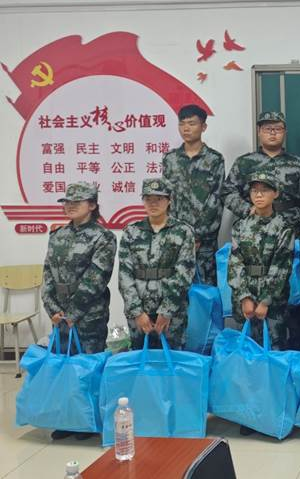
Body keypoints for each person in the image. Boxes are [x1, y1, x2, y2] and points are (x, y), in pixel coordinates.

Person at [41, 182, 116, 441]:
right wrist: (52, 308)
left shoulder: (103, 237)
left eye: (77, 202)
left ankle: (90, 422)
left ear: (92, 205)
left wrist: (73, 313)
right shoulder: (58, 235)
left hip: (89, 314)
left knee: (88, 368)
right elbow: (47, 274)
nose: (70, 206)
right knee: (65, 368)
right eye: (67, 202)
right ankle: (68, 420)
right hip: (60, 315)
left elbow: (97, 278)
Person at [118, 178, 195, 350]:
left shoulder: (183, 231)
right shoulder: (131, 232)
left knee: (172, 359)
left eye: (159, 199)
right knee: (140, 358)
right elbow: (124, 275)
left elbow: (184, 274)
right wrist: (137, 312)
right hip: (139, 312)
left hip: (172, 312)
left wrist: (167, 310)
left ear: (169, 200)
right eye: (148, 199)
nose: (153, 203)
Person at [229, 170, 293, 350]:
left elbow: (281, 267)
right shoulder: (241, 226)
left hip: (273, 303)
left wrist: (265, 301)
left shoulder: (283, 227)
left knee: (273, 348)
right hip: (244, 301)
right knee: (245, 351)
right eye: (254, 190)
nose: (258, 195)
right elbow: (235, 263)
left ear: (276, 193)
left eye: (264, 190)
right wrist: (244, 297)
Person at [161, 104, 225, 285]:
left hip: (204, 242)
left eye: (191, 123)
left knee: (205, 291)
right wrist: (176, 232)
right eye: (182, 124)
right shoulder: (170, 159)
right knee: (175, 288)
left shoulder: (214, 159)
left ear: (203, 127)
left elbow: (216, 199)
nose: (186, 128)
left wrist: (197, 235)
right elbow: (165, 197)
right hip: (175, 238)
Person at [222, 111, 300, 230]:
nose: (272, 133)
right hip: (252, 228)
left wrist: (294, 218)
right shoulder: (244, 162)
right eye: (267, 128)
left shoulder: (299, 165)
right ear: (259, 131)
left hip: (289, 228)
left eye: (278, 129)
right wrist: (247, 209)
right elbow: (227, 192)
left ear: (285, 132)